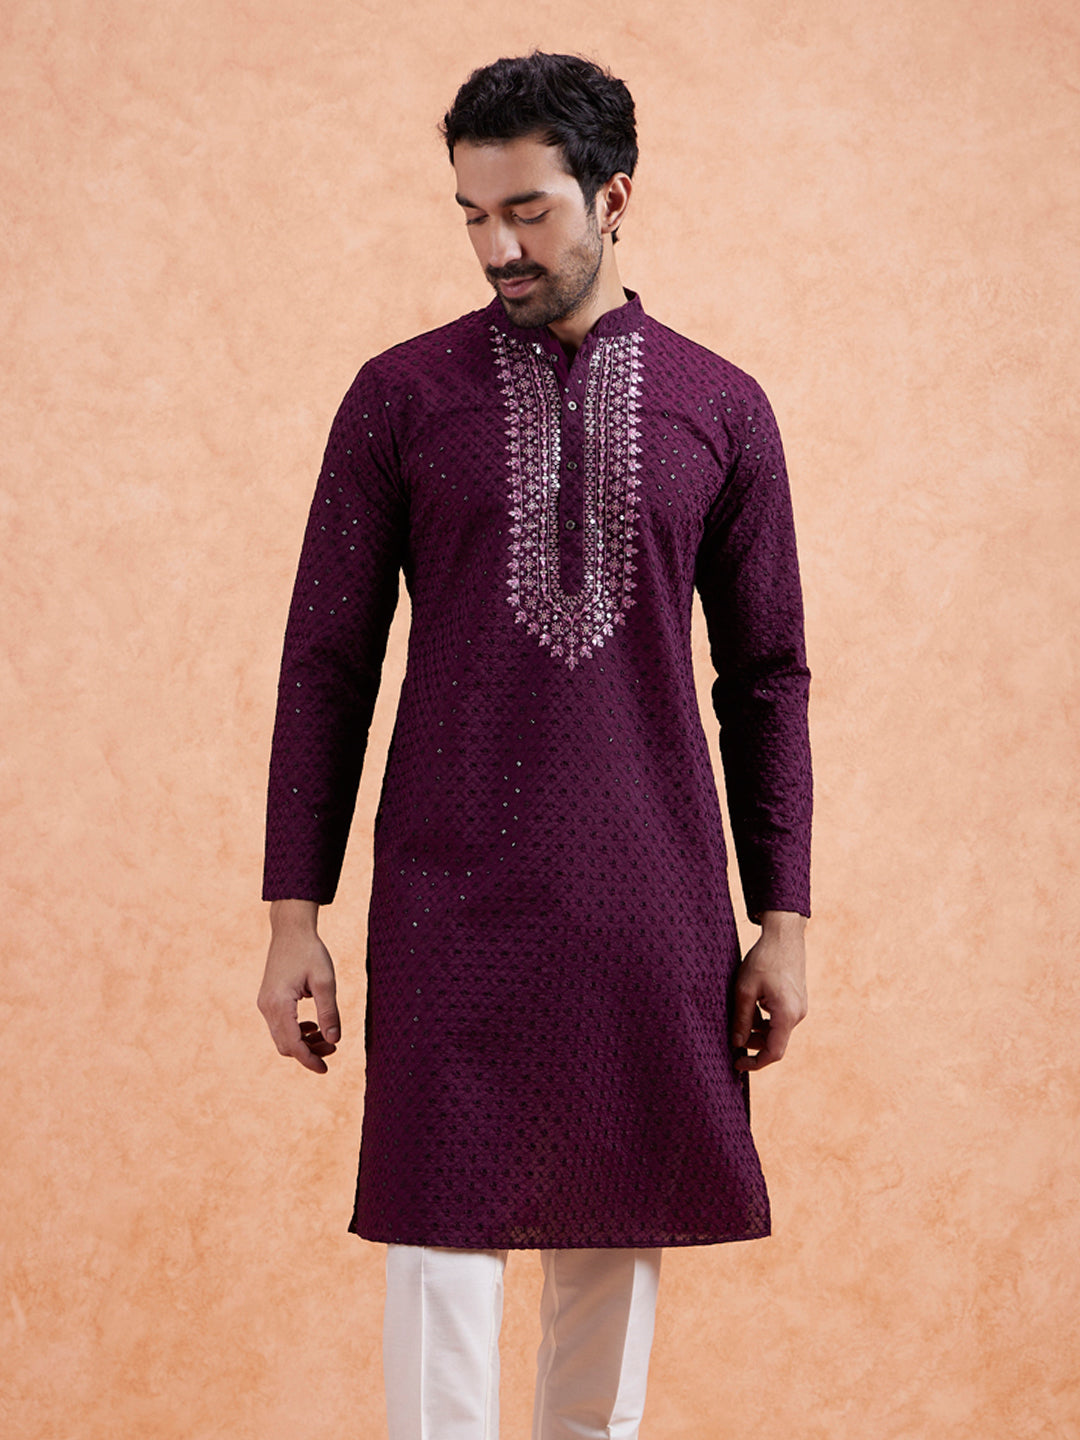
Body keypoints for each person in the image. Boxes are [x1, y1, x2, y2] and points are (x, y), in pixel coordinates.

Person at [257, 49, 812, 1440]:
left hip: (650, 903)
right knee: (438, 1255)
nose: (496, 246)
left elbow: (766, 681)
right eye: (472, 215)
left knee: (612, 1255)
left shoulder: (720, 406)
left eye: (527, 212)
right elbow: (326, 665)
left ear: (613, 198)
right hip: (448, 896)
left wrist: (784, 923)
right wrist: (292, 920)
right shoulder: (400, 397)